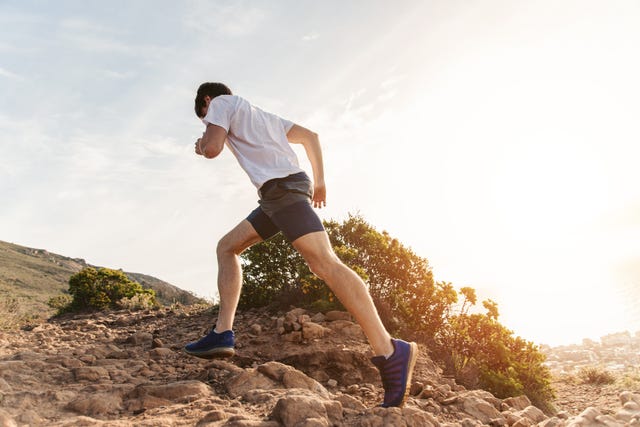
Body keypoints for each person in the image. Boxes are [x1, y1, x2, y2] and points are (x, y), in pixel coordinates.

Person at [184, 82, 417, 408]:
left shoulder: (221, 102)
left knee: (324, 262)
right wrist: (319, 182)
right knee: (227, 247)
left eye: (205, 116)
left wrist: (202, 143)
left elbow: (212, 148)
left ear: (207, 101)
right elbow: (311, 137)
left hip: (281, 191)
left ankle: (390, 350)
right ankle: (222, 333)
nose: (210, 121)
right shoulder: (261, 115)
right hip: (277, 195)